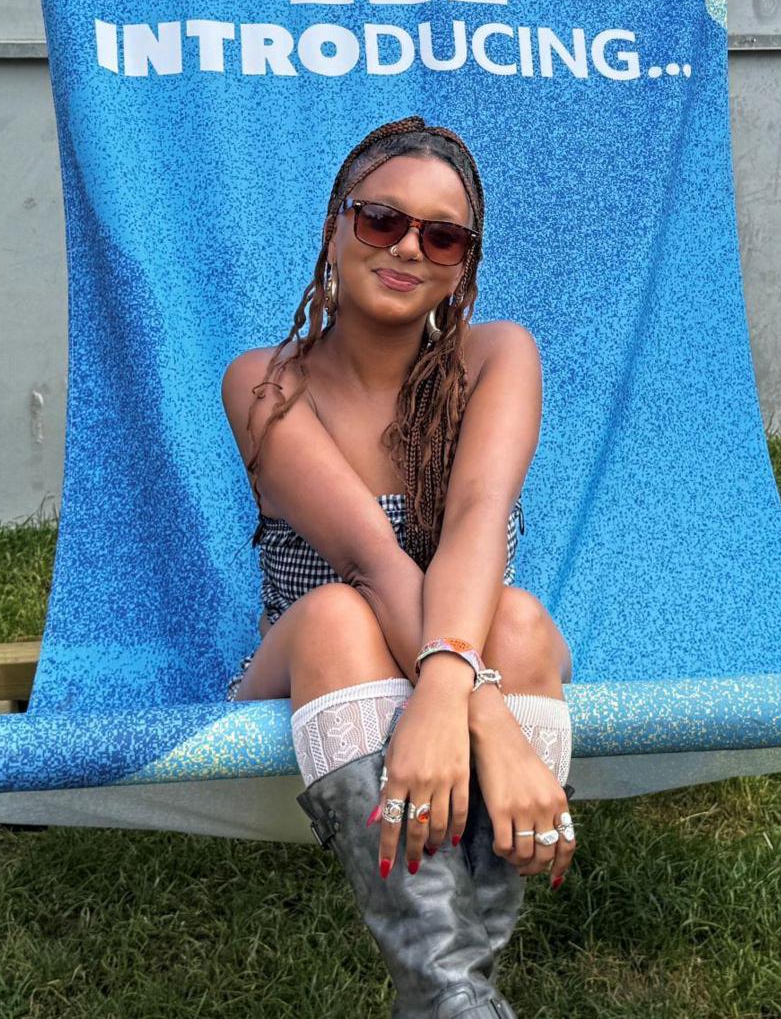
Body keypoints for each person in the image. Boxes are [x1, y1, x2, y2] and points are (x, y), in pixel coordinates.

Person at [221, 116, 574, 1019]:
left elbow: (476, 525)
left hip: (448, 671)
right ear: (336, 226)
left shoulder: (500, 355)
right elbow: (375, 565)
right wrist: (481, 711)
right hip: (311, 668)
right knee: (342, 610)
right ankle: (451, 998)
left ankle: (448, 996)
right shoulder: (266, 381)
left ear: (464, 262)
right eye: (382, 220)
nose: (409, 247)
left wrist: (449, 688)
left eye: (442, 235)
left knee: (524, 617)